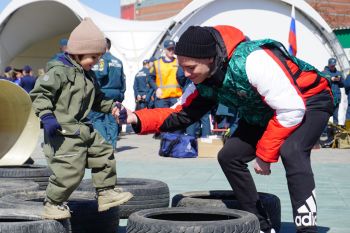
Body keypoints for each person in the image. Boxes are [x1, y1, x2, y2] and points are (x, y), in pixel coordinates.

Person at [113, 25, 333, 233]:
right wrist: (134, 116)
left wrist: (265, 154)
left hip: (308, 100)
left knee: (292, 151)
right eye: (182, 67)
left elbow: (291, 109)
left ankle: (307, 229)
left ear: (209, 59)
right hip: (264, 112)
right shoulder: (205, 79)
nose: (186, 74)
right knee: (229, 156)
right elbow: (178, 115)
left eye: (190, 68)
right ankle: (260, 225)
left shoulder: (252, 61)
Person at [30, 18, 132, 220]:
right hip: (62, 130)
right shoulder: (58, 72)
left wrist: (112, 106)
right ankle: (53, 203)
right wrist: (47, 116)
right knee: (70, 172)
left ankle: (105, 192)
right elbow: (40, 95)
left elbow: (97, 99)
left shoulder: (88, 75)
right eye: (93, 56)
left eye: (98, 57)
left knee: (104, 152)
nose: (95, 61)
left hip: (83, 128)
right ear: (77, 52)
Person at [88, 37, 126, 149]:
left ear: (104, 47)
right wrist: (121, 93)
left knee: (96, 118)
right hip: (116, 92)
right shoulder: (118, 61)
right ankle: (113, 145)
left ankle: (105, 144)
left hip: (104, 92)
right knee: (113, 118)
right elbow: (123, 79)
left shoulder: (102, 59)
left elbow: (101, 74)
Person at [151, 39, 183, 108]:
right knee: (163, 118)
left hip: (176, 97)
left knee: (176, 118)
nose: (171, 51)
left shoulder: (179, 62)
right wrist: (156, 89)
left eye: (173, 49)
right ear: (165, 49)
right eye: (169, 49)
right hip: (162, 98)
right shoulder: (157, 63)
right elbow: (150, 78)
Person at [322, 58, 344, 125]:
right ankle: (324, 130)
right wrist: (331, 79)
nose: (333, 67)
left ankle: (335, 131)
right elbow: (322, 82)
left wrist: (340, 80)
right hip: (328, 97)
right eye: (331, 66)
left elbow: (343, 85)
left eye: (334, 65)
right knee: (326, 115)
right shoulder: (324, 73)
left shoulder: (338, 73)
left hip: (337, 97)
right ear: (328, 65)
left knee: (336, 115)